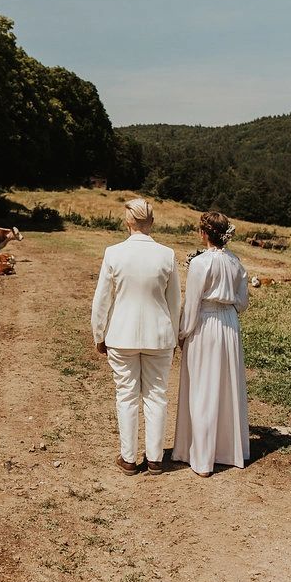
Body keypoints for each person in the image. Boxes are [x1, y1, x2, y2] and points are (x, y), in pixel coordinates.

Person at [91, 199, 181, 475]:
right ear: (151, 222)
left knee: (126, 395)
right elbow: (175, 302)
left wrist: (99, 334)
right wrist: (174, 336)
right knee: (157, 395)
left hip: (121, 334)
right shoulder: (167, 255)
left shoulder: (113, 253)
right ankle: (155, 458)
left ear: (127, 222)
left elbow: (101, 301)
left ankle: (128, 458)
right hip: (159, 335)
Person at [172, 211, 250, 476]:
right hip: (229, 324)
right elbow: (243, 302)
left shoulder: (200, 264)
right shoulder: (236, 263)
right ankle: (227, 450)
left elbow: (192, 304)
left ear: (203, 233)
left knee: (202, 387)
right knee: (226, 386)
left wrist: (183, 334)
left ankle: (202, 458)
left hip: (205, 324)